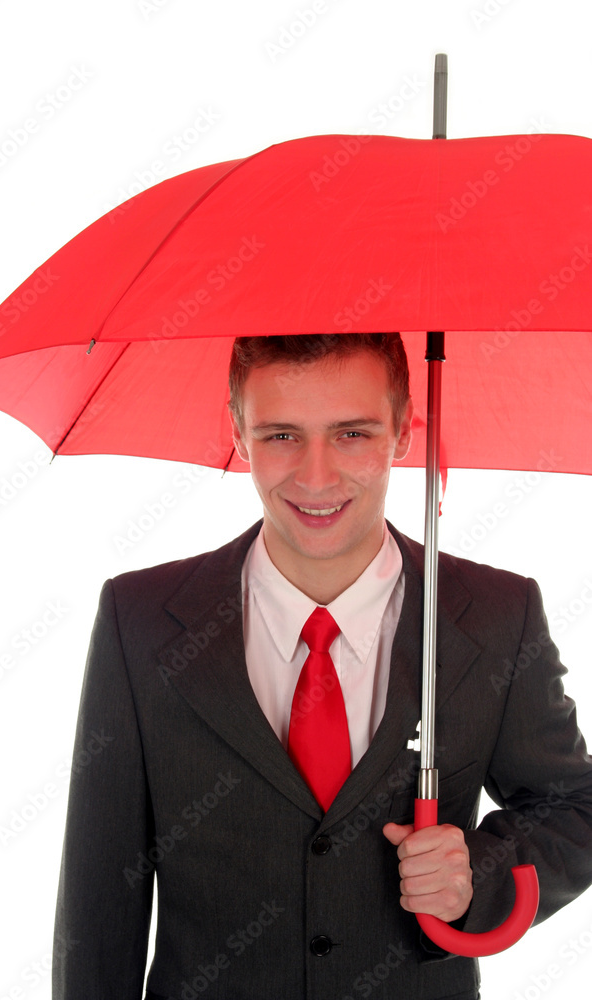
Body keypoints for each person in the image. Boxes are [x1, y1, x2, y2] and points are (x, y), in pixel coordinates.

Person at [52, 333, 592, 1000]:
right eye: (281, 435)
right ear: (238, 431)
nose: (315, 478)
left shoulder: (496, 616)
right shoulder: (138, 618)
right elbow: (101, 890)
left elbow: (574, 806)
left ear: (402, 430)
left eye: (351, 434)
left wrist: (477, 875)